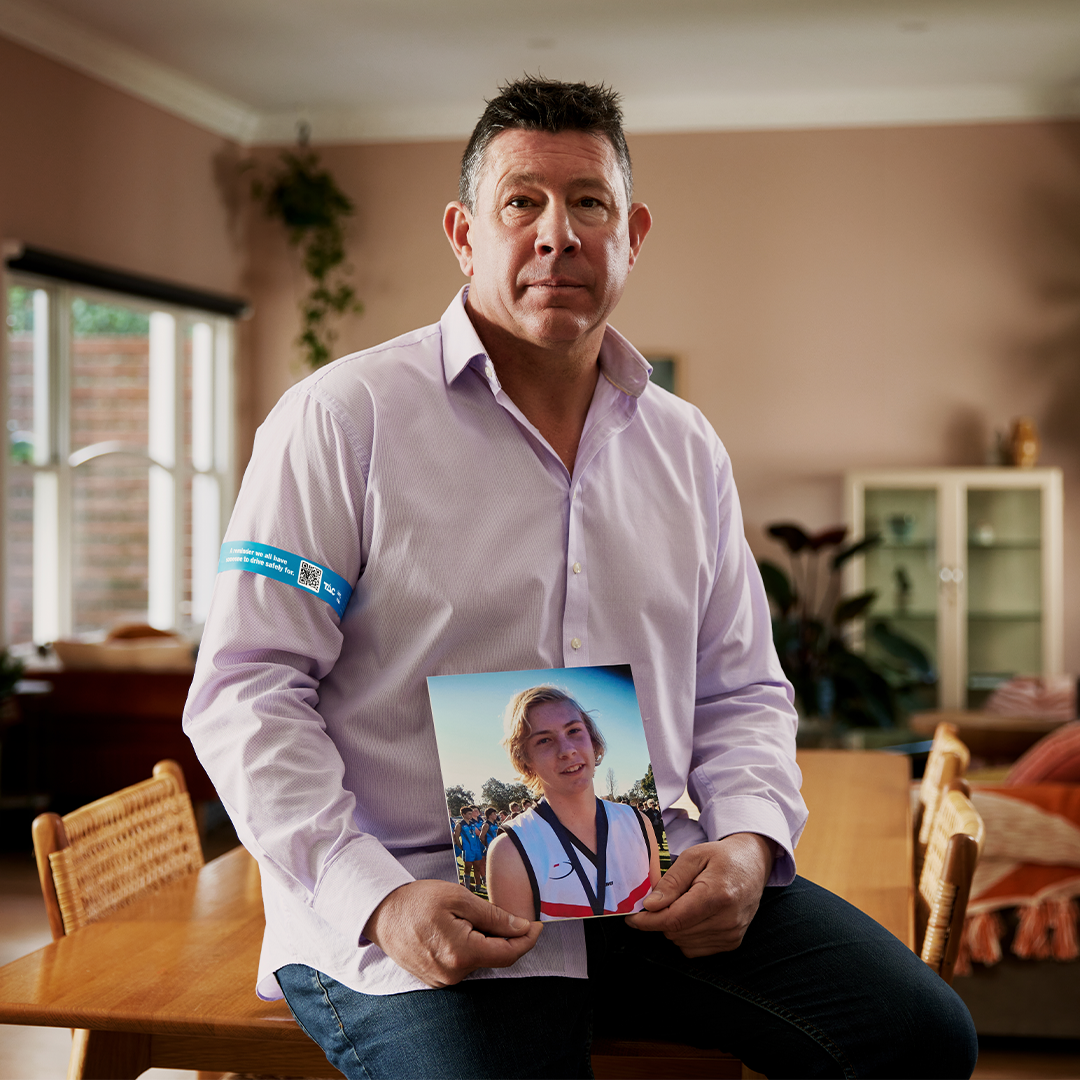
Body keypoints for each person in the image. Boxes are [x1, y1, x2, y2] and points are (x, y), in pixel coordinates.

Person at [183, 76, 977, 1080]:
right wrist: (372, 897)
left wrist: (745, 844)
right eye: (521, 201)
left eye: (588, 202)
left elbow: (741, 690)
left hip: (650, 890)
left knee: (923, 1037)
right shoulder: (339, 422)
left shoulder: (687, 449)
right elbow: (248, 689)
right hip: (417, 905)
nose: (556, 233)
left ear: (632, 232)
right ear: (464, 233)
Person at [487, 686, 661, 920]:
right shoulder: (509, 851)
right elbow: (522, 954)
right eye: (545, 740)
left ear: (592, 740)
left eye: (574, 731)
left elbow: (660, 918)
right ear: (526, 760)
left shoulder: (639, 823)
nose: (567, 750)